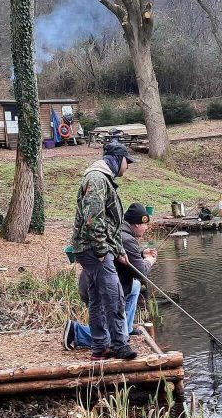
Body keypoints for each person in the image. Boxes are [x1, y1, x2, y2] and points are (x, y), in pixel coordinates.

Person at [70, 140, 137, 361]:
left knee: (97, 297)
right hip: (93, 249)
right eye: (127, 162)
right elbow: (93, 218)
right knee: (114, 294)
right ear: (117, 160)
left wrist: (119, 251)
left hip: (93, 248)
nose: (128, 167)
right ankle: (119, 345)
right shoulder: (98, 179)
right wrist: (101, 251)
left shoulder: (102, 179)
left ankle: (100, 347)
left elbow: (110, 223)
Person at [64, 203, 158, 350]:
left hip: (97, 283)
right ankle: (75, 331)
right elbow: (140, 272)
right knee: (112, 339)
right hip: (99, 290)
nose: (146, 228)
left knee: (135, 286)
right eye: (145, 225)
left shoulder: (120, 232)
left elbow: (124, 260)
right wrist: (149, 261)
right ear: (137, 224)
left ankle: (125, 328)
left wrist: (140, 254)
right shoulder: (126, 239)